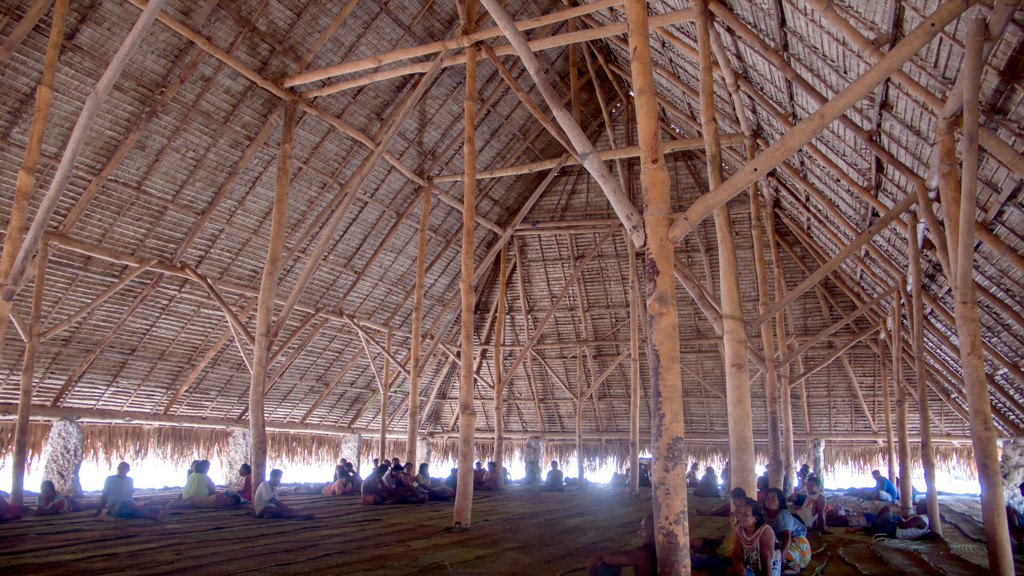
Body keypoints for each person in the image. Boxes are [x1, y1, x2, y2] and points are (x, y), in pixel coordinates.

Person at [587, 513, 656, 576]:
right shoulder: (660, 553)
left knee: (605, 565)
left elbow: (596, 559)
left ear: (656, 529)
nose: (639, 532)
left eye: (644, 527)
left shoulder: (643, 554)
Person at [94, 462, 167, 521]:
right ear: (117, 468)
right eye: (120, 467)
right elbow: (104, 497)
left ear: (128, 470)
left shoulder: (130, 480)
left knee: (139, 512)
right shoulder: (110, 479)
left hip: (130, 506)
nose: (121, 469)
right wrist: (98, 512)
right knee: (125, 505)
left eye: (124, 468)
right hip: (116, 507)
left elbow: (129, 495)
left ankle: (156, 516)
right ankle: (150, 507)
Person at [763, 488, 811, 575]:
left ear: (780, 502)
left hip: (797, 543)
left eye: (773, 498)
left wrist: (781, 556)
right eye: (767, 498)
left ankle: (794, 569)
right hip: (782, 542)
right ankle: (784, 570)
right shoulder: (764, 516)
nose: (769, 500)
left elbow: (786, 537)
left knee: (775, 556)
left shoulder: (783, 514)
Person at [729, 498, 781, 576]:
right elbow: (736, 554)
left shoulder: (765, 531)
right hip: (750, 567)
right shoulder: (740, 530)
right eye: (740, 513)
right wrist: (740, 567)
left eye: (746, 515)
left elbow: (766, 561)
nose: (741, 517)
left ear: (755, 518)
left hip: (767, 569)